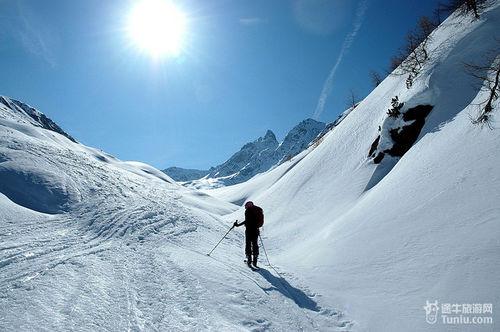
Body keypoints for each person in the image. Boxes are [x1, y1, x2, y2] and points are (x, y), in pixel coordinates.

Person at [233, 201, 263, 268]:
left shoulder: (248, 211)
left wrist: (237, 225)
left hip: (249, 230)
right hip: (256, 230)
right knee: (255, 244)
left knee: (248, 244)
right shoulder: (257, 210)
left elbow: (247, 221)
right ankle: (255, 262)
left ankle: (249, 261)